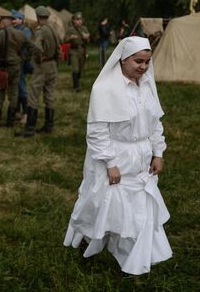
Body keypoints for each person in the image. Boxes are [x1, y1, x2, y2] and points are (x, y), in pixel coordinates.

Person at [63, 36, 172, 275]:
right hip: (114, 156)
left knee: (137, 207)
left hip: (141, 156)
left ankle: (132, 256)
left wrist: (158, 152)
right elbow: (97, 131)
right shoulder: (104, 89)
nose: (143, 67)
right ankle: (88, 243)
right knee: (104, 203)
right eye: (138, 61)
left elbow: (155, 123)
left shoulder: (147, 85)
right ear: (123, 59)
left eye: (147, 62)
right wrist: (110, 163)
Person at [16, 6, 61, 137]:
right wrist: (55, 62)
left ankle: (29, 128)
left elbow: (36, 47)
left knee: (33, 96)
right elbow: (59, 48)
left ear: (37, 17)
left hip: (43, 65)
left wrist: (37, 60)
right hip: (52, 64)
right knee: (49, 95)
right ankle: (49, 125)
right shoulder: (53, 28)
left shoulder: (41, 30)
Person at [0, 15, 40, 128]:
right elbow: (32, 46)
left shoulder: (1, 33)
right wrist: (26, 57)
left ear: (2, 23)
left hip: (4, 67)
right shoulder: (20, 33)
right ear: (11, 23)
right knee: (14, 92)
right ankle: (10, 120)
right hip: (17, 66)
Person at [11, 9, 33, 124]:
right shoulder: (11, 30)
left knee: (22, 87)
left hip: (22, 62)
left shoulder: (26, 30)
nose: (13, 21)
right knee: (15, 87)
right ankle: (17, 112)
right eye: (12, 19)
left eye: (15, 19)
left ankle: (26, 113)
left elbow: (26, 44)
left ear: (21, 20)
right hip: (13, 62)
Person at [64, 12, 90, 92]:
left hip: (82, 50)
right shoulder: (70, 30)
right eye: (77, 20)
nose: (79, 21)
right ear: (74, 21)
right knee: (75, 69)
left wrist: (86, 38)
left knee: (80, 69)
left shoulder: (84, 29)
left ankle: (77, 81)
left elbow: (88, 41)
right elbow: (64, 40)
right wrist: (70, 38)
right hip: (73, 50)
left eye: (80, 20)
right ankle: (76, 87)